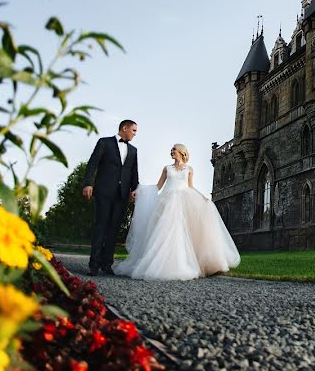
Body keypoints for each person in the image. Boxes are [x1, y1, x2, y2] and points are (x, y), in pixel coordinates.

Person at [116, 143, 240, 280]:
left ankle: (192, 262)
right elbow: (158, 187)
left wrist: (202, 196)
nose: (171, 151)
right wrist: (140, 191)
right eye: (171, 149)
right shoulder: (167, 169)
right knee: (165, 231)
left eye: (174, 149)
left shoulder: (189, 169)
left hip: (184, 201)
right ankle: (165, 264)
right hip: (167, 202)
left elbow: (190, 187)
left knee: (185, 231)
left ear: (181, 152)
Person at [82, 120, 139, 276]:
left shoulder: (133, 151)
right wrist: (88, 184)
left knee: (113, 229)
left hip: (121, 194)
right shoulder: (104, 143)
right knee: (101, 226)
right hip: (103, 191)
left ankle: (107, 264)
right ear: (124, 128)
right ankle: (93, 265)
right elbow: (93, 164)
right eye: (133, 130)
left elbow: (134, 173)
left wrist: (134, 189)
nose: (135, 133)